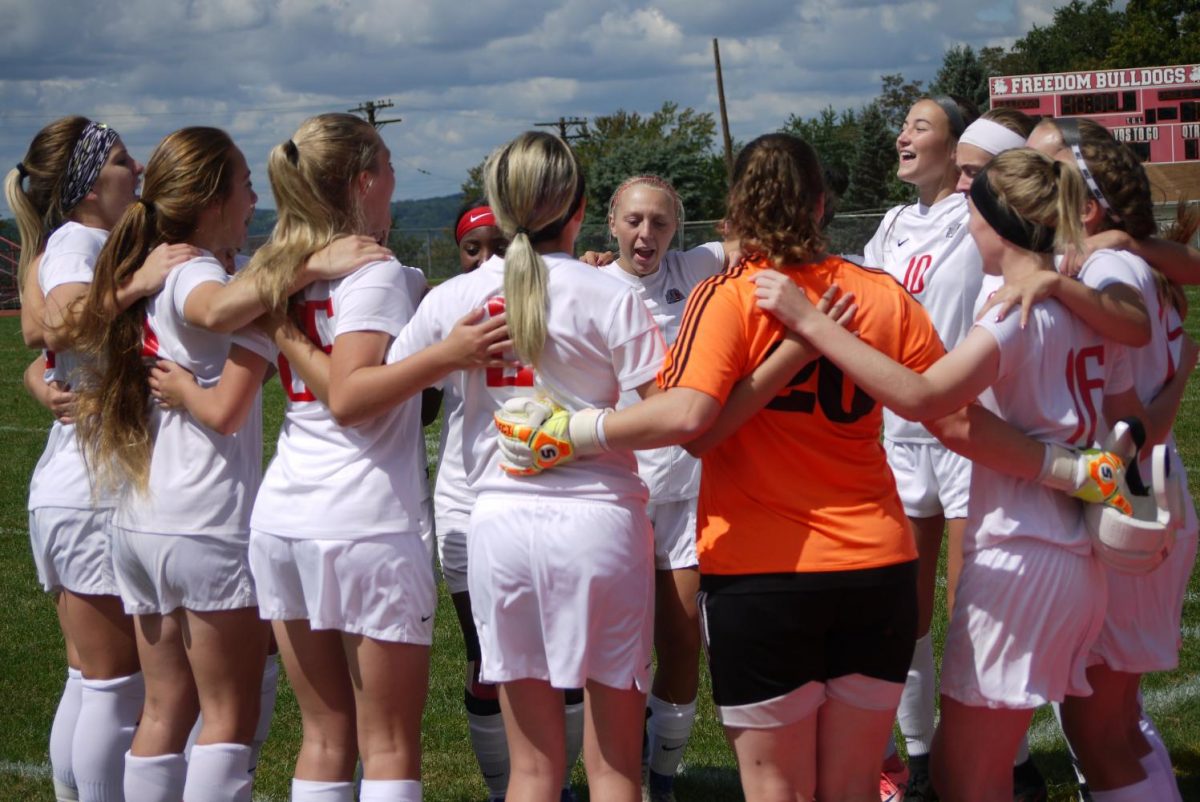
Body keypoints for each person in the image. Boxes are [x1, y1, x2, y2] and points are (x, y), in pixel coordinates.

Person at [735, 148, 1194, 802]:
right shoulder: (1088, 311)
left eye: (972, 212)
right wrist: (1122, 486)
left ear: (995, 224)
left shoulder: (1014, 312)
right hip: (1077, 563)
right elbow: (1127, 426)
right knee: (1087, 746)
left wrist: (811, 325)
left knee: (965, 780)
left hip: (1019, 556)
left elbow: (927, 401)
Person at [497, 132, 933, 802]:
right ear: (821, 205)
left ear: (735, 211)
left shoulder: (725, 295)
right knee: (850, 789)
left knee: (774, 788)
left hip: (763, 571)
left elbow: (694, 423)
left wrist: (579, 432)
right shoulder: (879, 292)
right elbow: (947, 404)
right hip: (876, 562)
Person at [389, 130, 667, 802]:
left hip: (501, 526)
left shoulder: (453, 299)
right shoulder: (607, 294)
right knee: (612, 770)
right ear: (577, 207)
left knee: (533, 772)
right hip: (599, 523)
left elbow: (376, 391)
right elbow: (670, 413)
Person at [238, 112, 505, 802]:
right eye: (388, 166)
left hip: (285, 514)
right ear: (364, 180)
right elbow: (353, 397)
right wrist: (447, 355)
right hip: (364, 521)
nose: (394, 180)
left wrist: (287, 333)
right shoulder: (372, 273)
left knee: (326, 733)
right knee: (387, 744)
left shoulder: (282, 271)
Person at [986, 117, 1198, 802]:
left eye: (1050, 169)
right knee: (1116, 723)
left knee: (1098, 729)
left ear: (1088, 198)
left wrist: (1057, 284)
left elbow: (1140, 399)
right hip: (1145, 493)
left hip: (1132, 497)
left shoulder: (1106, 266)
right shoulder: (1117, 257)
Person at [4, 116, 194, 802]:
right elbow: (58, 324)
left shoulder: (78, 241)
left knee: (89, 679)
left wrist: (44, 378)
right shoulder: (77, 240)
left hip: (74, 484)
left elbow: (39, 338)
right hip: (89, 489)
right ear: (87, 185)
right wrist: (139, 281)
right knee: (115, 684)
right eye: (119, 160)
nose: (136, 167)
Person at [861, 94, 991, 800]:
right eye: (905, 124)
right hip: (900, 430)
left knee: (968, 602)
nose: (903, 135)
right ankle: (919, 759)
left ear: (956, 146)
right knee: (902, 604)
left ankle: (993, 755)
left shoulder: (980, 216)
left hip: (966, 426)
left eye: (920, 126)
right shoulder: (889, 224)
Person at [599, 174, 727, 801]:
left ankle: (661, 780)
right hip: (614, 493)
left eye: (660, 222)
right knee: (615, 651)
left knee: (680, 643)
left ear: (678, 229)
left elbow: (751, 238)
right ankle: (612, 769)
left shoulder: (697, 267)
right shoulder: (589, 283)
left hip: (687, 493)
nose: (646, 234)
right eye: (634, 221)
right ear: (611, 223)